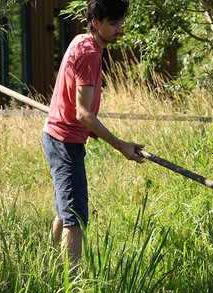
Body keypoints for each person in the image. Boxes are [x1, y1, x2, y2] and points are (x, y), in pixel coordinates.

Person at [42, 0, 144, 268]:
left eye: (121, 23)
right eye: (113, 23)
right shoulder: (89, 53)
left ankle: (49, 269)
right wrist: (121, 145)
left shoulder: (81, 41)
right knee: (74, 217)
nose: (119, 29)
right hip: (64, 140)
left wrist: (92, 130)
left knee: (65, 212)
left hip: (58, 135)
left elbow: (78, 109)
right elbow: (83, 113)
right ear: (96, 22)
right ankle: (70, 288)